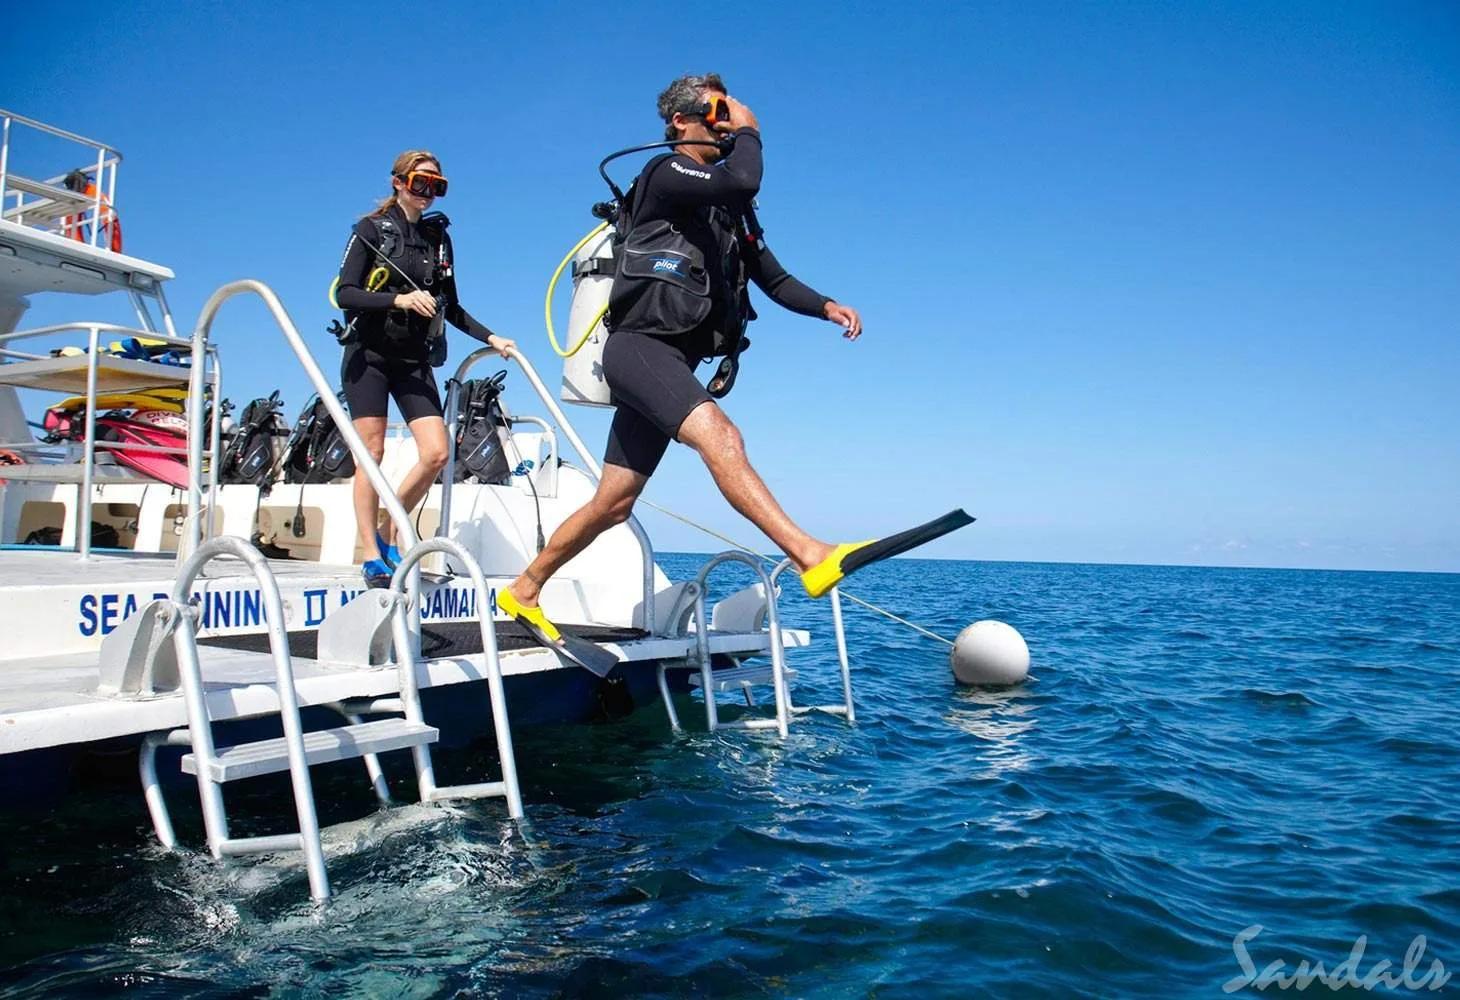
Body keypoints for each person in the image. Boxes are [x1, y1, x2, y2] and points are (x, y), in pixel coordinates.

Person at [498, 73, 870, 639]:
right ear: (680, 120)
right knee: (722, 437)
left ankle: (523, 589)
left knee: (614, 502)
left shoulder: (725, 210)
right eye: (716, 109)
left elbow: (771, 276)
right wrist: (751, 131)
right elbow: (743, 179)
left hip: (669, 360)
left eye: (729, 110)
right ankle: (808, 553)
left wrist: (826, 306)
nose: (725, 120)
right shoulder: (666, 173)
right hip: (640, 349)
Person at [335, 150, 515, 587]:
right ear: (398, 182)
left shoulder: (438, 240)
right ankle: (371, 554)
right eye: (420, 182)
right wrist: (397, 300)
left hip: (413, 359)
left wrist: (492, 338)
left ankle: (389, 530)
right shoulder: (370, 230)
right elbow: (345, 294)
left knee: (436, 452)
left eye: (436, 185)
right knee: (371, 455)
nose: (428, 192)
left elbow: (450, 305)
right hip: (369, 357)